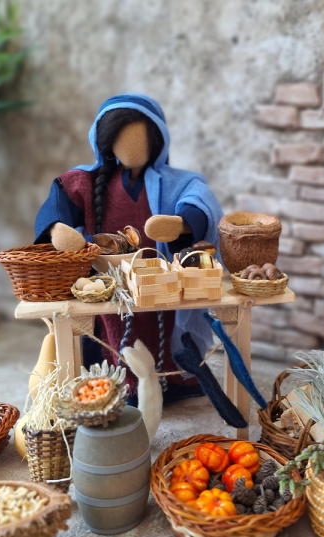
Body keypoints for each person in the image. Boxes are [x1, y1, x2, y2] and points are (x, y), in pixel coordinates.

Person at [35, 94, 223, 402]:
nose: (131, 150)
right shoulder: (89, 180)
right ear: (106, 142)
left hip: (157, 276)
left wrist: (182, 223)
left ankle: (171, 381)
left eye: (140, 140)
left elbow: (199, 197)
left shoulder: (176, 181)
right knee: (114, 331)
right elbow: (61, 196)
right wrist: (58, 227)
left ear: (157, 141)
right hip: (109, 282)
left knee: (160, 327)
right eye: (121, 141)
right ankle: (121, 386)